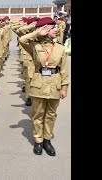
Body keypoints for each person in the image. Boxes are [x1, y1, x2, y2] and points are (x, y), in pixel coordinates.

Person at [19, 17, 69, 156]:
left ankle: (47, 140)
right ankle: (38, 141)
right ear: (45, 30)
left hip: (55, 84)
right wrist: (36, 33)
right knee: (38, 115)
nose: (56, 30)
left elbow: (64, 69)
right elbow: (22, 40)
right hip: (38, 84)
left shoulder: (59, 48)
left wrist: (64, 88)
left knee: (51, 114)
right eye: (52, 28)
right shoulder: (34, 46)